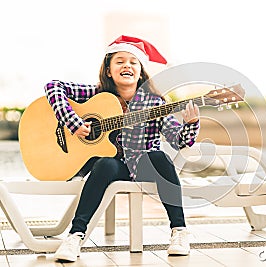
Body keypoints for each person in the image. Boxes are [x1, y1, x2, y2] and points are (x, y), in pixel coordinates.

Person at [44, 35, 200, 262]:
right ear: (108, 70)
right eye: (119, 61)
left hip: (144, 163)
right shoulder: (98, 95)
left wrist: (191, 124)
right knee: (105, 163)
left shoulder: (155, 102)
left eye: (133, 62)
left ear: (140, 71)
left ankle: (179, 231)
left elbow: (178, 140)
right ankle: (75, 236)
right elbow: (53, 87)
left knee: (160, 157)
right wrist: (73, 122)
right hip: (114, 166)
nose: (126, 65)